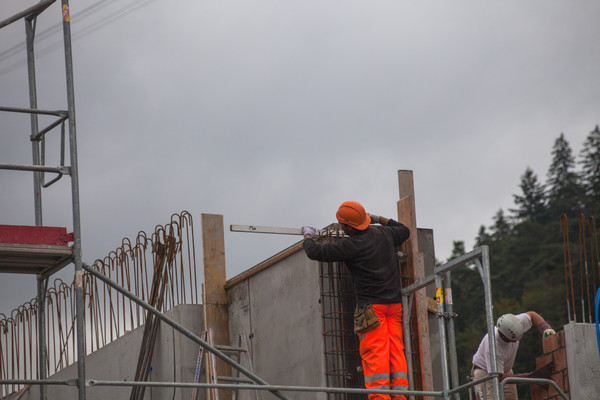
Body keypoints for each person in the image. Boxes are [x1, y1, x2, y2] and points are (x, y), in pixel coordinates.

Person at [302, 200, 411, 400]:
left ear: (346, 226)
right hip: (394, 307)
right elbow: (404, 230)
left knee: (376, 354)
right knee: (396, 351)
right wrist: (378, 218)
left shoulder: (351, 245)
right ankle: (401, 396)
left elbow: (316, 252)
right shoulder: (384, 234)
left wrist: (308, 235)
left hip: (372, 310)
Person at [471, 312, 556, 400]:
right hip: (485, 374)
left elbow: (532, 315)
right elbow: (498, 377)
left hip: (505, 371)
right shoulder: (492, 345)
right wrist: (527, 377)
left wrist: (546, 329)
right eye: (513, 340)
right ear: (504, 337)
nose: (515, 342)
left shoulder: (514, 324)